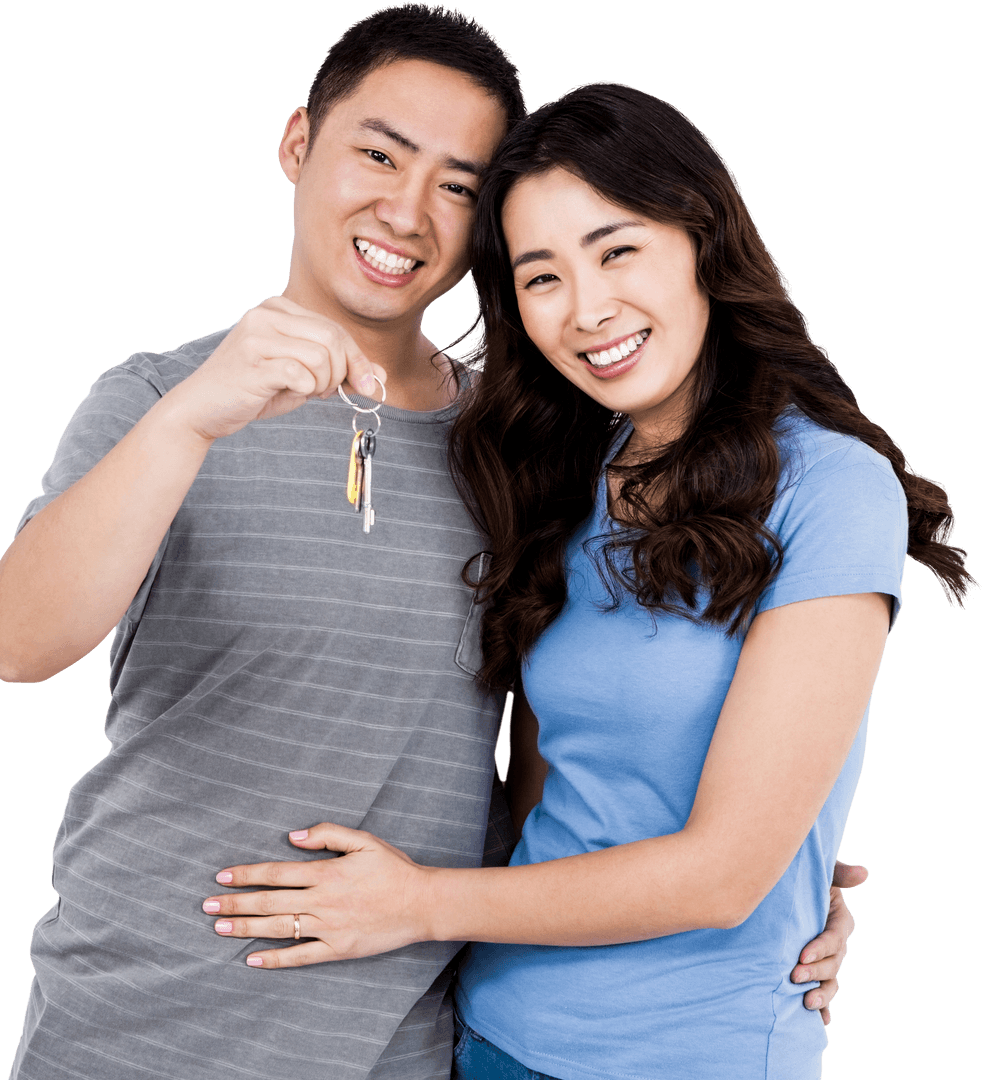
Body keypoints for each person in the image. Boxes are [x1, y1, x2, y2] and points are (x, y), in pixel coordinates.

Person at [0, 7, 863, 1076]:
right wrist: (191, 422)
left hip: (408, 1040)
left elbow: (587, 728)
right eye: (379, 154)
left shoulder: (527, 441)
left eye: (459, 186)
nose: (407, 212)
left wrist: (777, 872)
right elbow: (20, 647)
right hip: (142, 1024)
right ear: (299, 144)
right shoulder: (156, 398)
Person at [199, 83, 977, 1080]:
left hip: (693, 1054)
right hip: (489, 1033)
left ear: (701, 239)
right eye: (541, 276)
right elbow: (544, 796)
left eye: (618, 251)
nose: (587, 309)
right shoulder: (562, 476)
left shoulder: (831, 487)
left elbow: (725, 875)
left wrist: (417, 902)